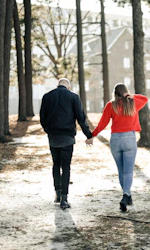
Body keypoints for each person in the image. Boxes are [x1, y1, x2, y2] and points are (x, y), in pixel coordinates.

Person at [86, 83, 148, 212]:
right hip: (129, 139)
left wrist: (92, 135)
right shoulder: (133, 103)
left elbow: (103, 123)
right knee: (129, 171)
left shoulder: (111, 105)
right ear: (125, 92)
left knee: (121, 171)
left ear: (115, 93)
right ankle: (126, 195)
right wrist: (132, 96)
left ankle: (127, 196)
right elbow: (145, 99)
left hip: (115, 140)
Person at [40, 78, 93, 209]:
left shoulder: (47, 96)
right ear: (68, 86)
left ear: (58, 85)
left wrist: (48, 130)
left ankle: (57, 193)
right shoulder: (73, 97)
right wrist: (88, 135)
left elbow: (42, 118)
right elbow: (81, 117)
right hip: (67, 136)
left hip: (53, 136)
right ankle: (64, 198)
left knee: (56, 164)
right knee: (66, 166)